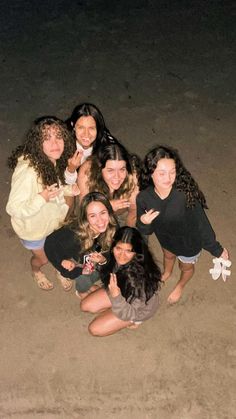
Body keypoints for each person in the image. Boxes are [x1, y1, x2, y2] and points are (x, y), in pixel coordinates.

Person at [136, 145, 229, 304]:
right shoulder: (144, 198)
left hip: (188, 242)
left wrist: (216, 249)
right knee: (168, 256)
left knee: (185, 267)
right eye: (162, 173)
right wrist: (143, 222)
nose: (168, 178)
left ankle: (181, 284)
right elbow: (147, 230)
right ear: (150, 173)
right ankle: (167, 272)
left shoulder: (184, 195)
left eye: (172, 172)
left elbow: (202, 223)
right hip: (165, 239)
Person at [6, 116, 79, 291]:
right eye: (47, 138)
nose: (55, 143)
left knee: (59, 251)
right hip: (34, 230)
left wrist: (69, 190)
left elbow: (56, 187)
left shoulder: (50, 161)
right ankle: (36, 270)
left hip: (51, 222)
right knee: (43, 258)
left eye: (58, 136)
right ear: (37, 142)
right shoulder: (28, 171)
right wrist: (41, 198)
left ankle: (59, 269)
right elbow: (13, 208)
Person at [80, 226, 162, 337]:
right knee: (85, 306)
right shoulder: (115, 257)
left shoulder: (138, 281)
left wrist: (116, 297)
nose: (122, 255)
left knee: (94, 329)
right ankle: (112, 308)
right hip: (119, 291)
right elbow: (109, 275)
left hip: (135, 310)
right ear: (113, 246)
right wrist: (103, 262)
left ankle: (135, 321)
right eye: (118, 248)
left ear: (136, 252)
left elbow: (129, 313)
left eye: (128, 251)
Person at [44, 192, 118, 299]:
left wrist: (103, 260)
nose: (100, 221)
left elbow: (110, 252)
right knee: (83, 279)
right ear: (85, 218)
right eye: (92, 216)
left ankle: (88, 284)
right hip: (72, 259)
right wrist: (62, 262)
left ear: (109, 212)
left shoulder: (112, 226)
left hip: (89, 259)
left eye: (103, 213)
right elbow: (50, 244)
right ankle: (80, 290)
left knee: (96, 272)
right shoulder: (73, 235)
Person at [77, 142, 140, 227]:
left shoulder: (132, 172)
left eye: (122, 169)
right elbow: (85, 209)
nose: (117, 177)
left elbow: (133, 208)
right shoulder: (87, 172)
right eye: (110, 170)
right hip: (95, 214)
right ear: (99, 168)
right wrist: (106, 207)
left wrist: (129, 231)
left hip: (122, 214)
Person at [64, 102, 118, 185]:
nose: (86, 134)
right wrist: (71, 169)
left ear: (98, 128)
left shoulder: (107, 143)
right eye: (81, 127)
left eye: (91, 128)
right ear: (73, 125)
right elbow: (62, 182)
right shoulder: (63, 142)